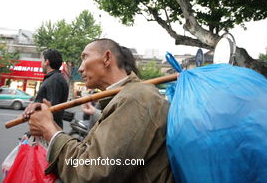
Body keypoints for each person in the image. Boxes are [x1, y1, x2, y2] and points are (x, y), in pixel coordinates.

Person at [27, 38, 173, 182]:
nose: (80, 68)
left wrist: (49, 129)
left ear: (107, 58)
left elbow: (91, 172)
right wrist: (49, 124)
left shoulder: (137, 98)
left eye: (85, 58)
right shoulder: (125, 97)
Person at [23, 49, 69, 129]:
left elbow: (52, 107)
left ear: (47, 62)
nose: (41, 64)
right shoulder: (53, 78)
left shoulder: (55, 79)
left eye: (42, 61)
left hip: (48, 130)